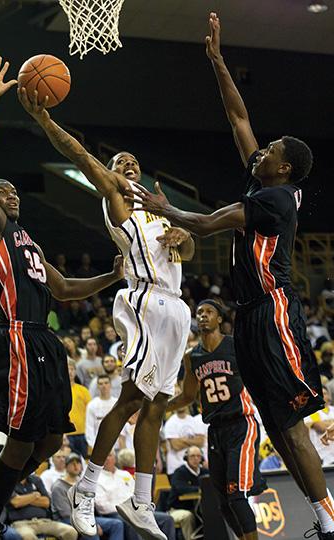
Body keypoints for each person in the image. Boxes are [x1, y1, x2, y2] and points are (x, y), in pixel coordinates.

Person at [123, 12, 334, 538]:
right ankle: (322, 516)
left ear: (282, 168)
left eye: (271, 152)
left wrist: (161, 208)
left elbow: (207, 223)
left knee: (289, 424)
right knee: (278, 428)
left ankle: (329, 517)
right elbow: (240, 121)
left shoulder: (274, 199)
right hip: (252, 316)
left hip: (275, 312)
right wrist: (218, 61)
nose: (261, 151)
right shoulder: (265, 178)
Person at [19, 85, 197, 540]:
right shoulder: (118, 200)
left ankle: (140, 500)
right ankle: (87, 487)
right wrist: (45, 121)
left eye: (132, 161)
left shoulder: (157, 211)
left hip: (177, 310)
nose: (128, 165)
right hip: (145, 301)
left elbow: (189, 251)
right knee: (131, 399)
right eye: (120, 163)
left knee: (156, 405)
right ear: (112, 176)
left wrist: (183, 238)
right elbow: (80, 154)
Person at [0, 56, 124, 540]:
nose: (11, 195)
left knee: (53, 439)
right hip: (17, 339)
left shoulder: (29, 243)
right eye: (3, 191)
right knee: (20, 441)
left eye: (15, 192)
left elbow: (62, 289)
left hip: (46, 345)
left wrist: (111, 276)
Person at [167, 300, 265, 539]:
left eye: (209, 312)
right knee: (223, 502)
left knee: (236, 495)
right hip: (215, 429)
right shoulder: (192, 356)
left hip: (242, 423)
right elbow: (188, 396)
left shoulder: (236, 345)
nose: (203, 316)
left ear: (220, 319)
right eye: (199, 312)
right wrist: (158, 407)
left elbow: (260, 375)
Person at [94, 451, 175, 540]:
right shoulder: (97, 478)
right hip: (115, 513)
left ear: (114, 458)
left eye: (109, 455)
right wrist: (124, 509)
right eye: (104, 456)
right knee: (133, 522)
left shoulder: (125, 474)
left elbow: (137, 494)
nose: (107, 459)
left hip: (136, 511)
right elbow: (101, 506)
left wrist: (135, 509)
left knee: (167, 519)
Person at [51, 453, 124, 540]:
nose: (76, 466)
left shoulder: (83, 484)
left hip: (85, 518)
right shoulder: (58, 487)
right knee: (91, 531)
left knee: (117, 524)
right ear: (66, 467)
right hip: (66, 520)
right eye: (72, 463)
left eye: (78, 463)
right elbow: (66, 514)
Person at [6, 474, 77, 539]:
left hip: (44, 521)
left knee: (71, 532)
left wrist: (24, 499)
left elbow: (46, 502)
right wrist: (35, 495)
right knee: (28, 536)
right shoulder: (9, 481)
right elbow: (16, 502)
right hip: (21, 523)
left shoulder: (36, 479)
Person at [166, 446, 207, 540]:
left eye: (198, 456)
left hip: (197, 508)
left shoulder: (205, 472)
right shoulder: (179, 472)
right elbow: (181, 489)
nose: (196, 459)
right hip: (176, 509)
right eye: (192, 456)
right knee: (187, 516)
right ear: (186, 458)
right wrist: (200, 489)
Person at [67, 359, 92, 458]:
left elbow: (89, 411)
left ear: (75, 371)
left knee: (83, 459)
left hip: (82, 432)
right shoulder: (58, 390)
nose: (70, 372)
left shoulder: (83, 390)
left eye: (72, 369)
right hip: (66, 433)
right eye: (67, 369)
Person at [85, 374, 118, 449]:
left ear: (110, 385)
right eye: (101, 384)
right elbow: (89, 428)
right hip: (99, 446)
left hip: (116, 445)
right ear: (97, 386)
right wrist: (94, 446)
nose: (104, 386)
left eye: (106, 383)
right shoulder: (92, 405)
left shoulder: (117, 404)